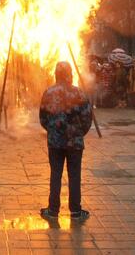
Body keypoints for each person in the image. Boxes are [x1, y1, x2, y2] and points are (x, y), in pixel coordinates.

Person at [39, 62, 92, 224]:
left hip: (55, 142)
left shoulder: (49, 93)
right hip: (74, 143)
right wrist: (77, 133)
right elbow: (87, 118)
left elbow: (43, 118)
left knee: (56, 174)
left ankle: (53, 210)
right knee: (74, 175)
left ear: (56, 74)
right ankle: (76, 211)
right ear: (70, 74)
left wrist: (53, 131)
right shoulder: (80, 93)